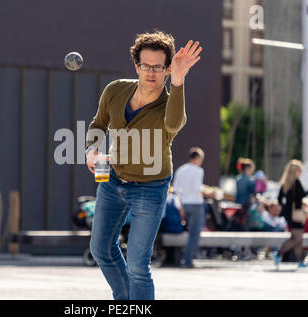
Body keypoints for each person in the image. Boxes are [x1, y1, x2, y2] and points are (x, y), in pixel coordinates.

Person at [85, 30, 202, 300]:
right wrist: (91, 150)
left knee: (138, 265)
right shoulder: (115, 90)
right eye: (145, 66)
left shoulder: (170, 104)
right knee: (100, 248)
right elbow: (98, 125)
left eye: (158, 67)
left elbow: (174, 124)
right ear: (136, 66)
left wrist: (179, 80)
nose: (151, 72)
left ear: (167, 69)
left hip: (150, 187)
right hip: (112, 180)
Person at [273, 160, 308, 268]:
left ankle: (299, 261)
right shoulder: (296, 182)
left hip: (289, 214)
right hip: (297, 214)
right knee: (296, 238)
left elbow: (279, 199)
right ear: (295, 171)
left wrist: (286, 208)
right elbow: (302, 195)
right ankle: (278, 254)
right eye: (299, 170)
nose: (300, 172)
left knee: (297, 238)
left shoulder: (285, 183)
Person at [172, 147, 213, 268]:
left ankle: (182, 258)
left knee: (186, 232)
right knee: (194, 234)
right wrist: (208, 192)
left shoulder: (181, 170)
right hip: (196, 204)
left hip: (184, 204)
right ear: (197, 158)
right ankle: (188, 260)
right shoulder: (198, 170)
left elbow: (176, 189)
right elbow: (196, 187)